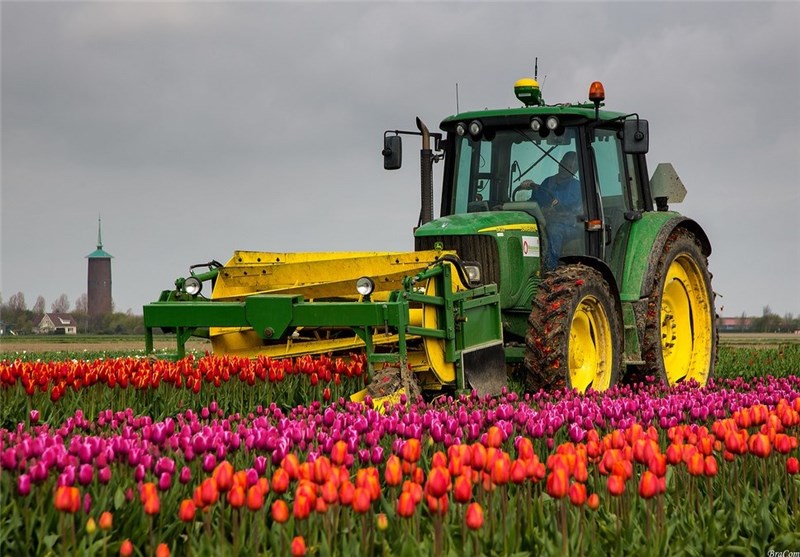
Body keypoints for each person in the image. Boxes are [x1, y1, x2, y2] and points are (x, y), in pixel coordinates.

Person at [518, 151, 584, 268]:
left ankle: (550, 268)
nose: (565, 169)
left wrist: (555, 207)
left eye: (570, 167)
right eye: (564, 164)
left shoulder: (577, 187)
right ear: (559, 164)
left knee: (554, 229)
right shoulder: (548, 182)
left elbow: (570, 210)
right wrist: (531, 187)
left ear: (575, 170)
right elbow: (535, 203)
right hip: (546, 222)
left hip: (571, 225)